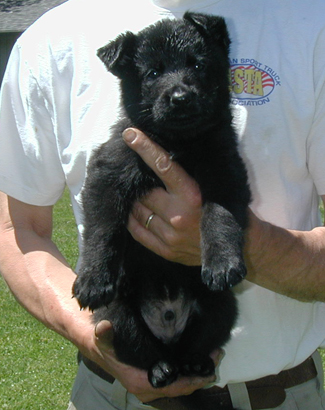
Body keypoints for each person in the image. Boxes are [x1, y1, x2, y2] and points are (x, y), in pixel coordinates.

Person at [0, 0, 325, 409]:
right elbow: (16, 230)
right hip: (112, 386)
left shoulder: (312, 23)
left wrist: (245, 246)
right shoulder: (51, 40)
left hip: (273, 391)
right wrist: (91, 331)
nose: (179, 88)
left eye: (195, 69)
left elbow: (226, 188)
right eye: (154, 74)